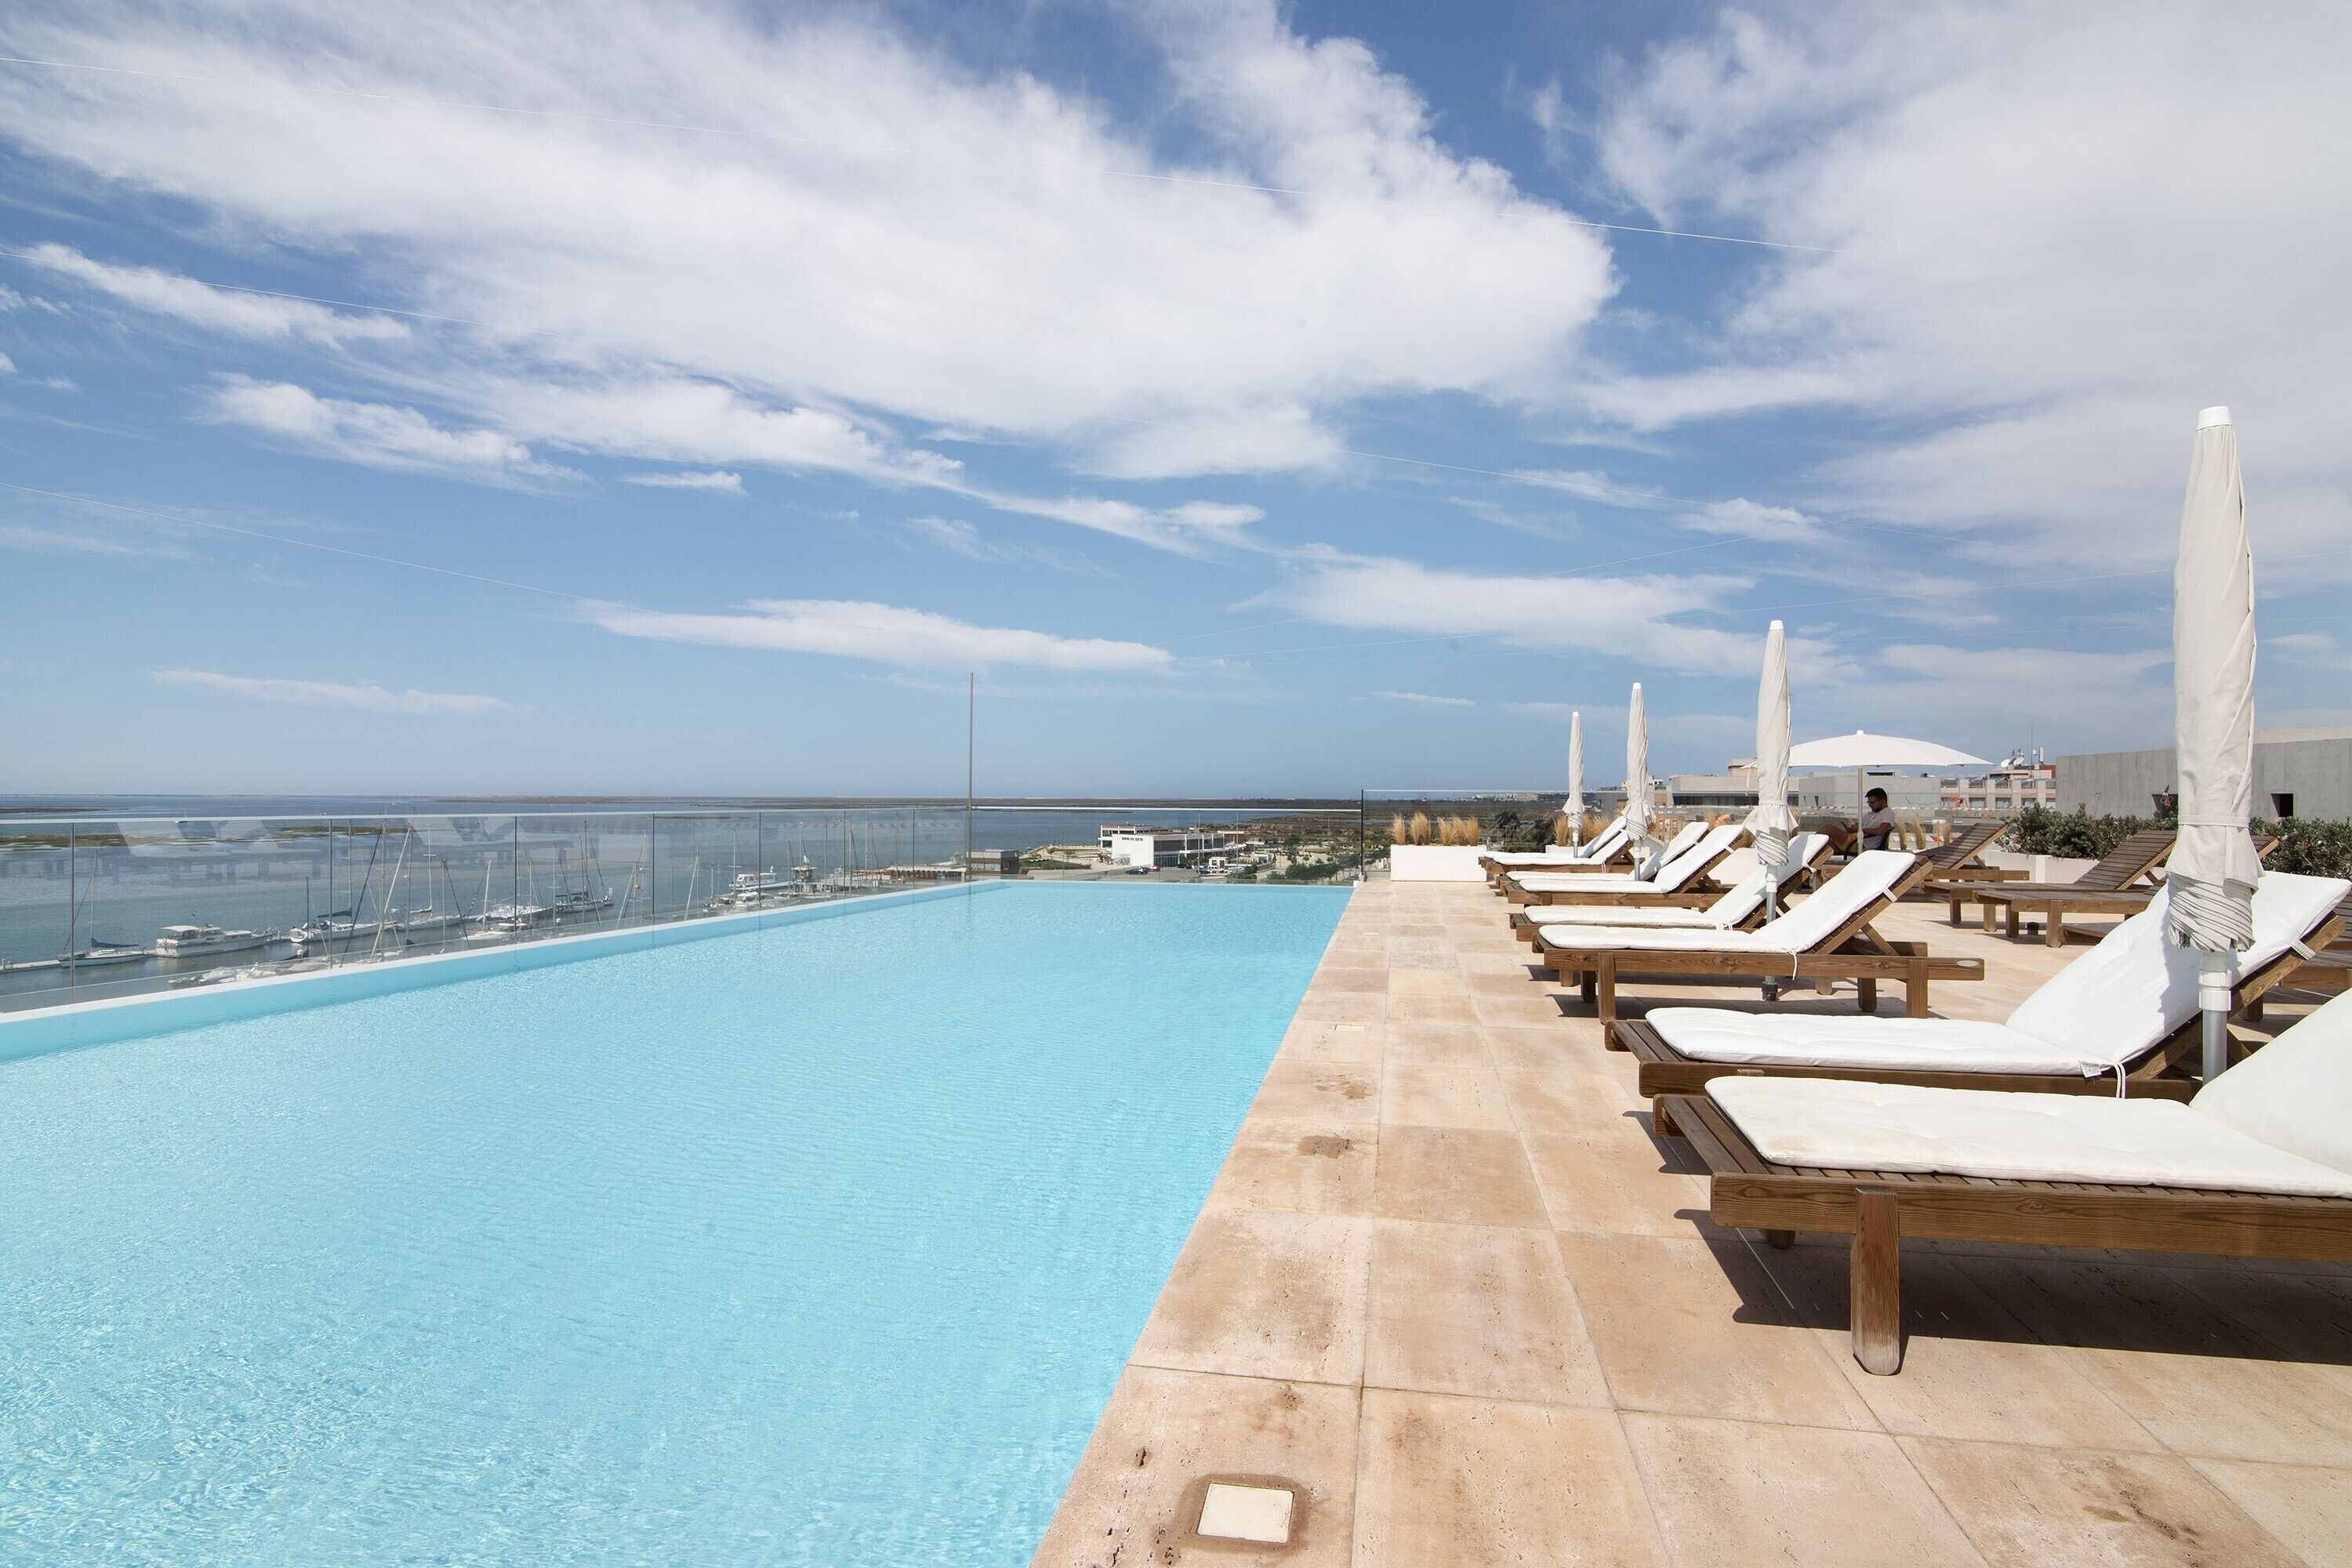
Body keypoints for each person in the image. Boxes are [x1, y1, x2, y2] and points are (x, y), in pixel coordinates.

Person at [1856, 787, 1896, 852]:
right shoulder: (1870, 814)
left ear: (1883, 801)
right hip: (1857, 840)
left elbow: (1880, 831)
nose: (1870, 805)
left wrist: (1860, 830)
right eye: (1868, 803)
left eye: (1872, 802)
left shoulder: (1888, 813)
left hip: (1862, 844)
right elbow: (1856, 825)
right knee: (1833, 841)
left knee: (1832, 829)